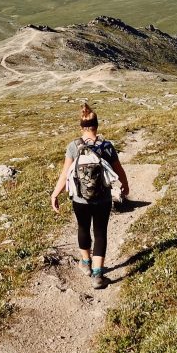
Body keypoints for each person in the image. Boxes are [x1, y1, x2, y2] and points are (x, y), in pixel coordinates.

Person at [50, 102, 129, 289]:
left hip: (80, 199)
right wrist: (125, 185)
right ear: (97, 126)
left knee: (83, 228)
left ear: (81, 127)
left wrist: (55, 194)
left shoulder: (73, 146)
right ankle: (97, 275)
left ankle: (85, 263)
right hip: (102, 198)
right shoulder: (107, 146)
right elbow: (119, 171)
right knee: (100, 233)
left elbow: (64, 174)